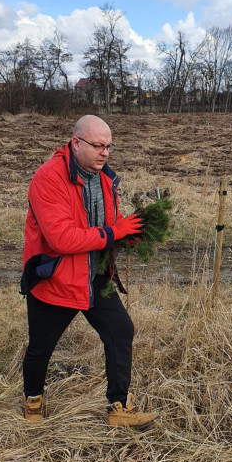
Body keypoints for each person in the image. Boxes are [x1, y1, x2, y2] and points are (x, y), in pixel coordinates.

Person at [21, 114, 159, 429]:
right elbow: (61, 238)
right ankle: (33, 400)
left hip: (96, 275)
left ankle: (119, 408)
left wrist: (129, 232)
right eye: (98, 146)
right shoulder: (48, 178)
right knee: (41, 346)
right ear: (76, 142)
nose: (105, 153)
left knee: (120, 331)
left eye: (109, 146)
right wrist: (114, 232)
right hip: (55, 277)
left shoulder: (105, 177)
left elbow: (109, 222)